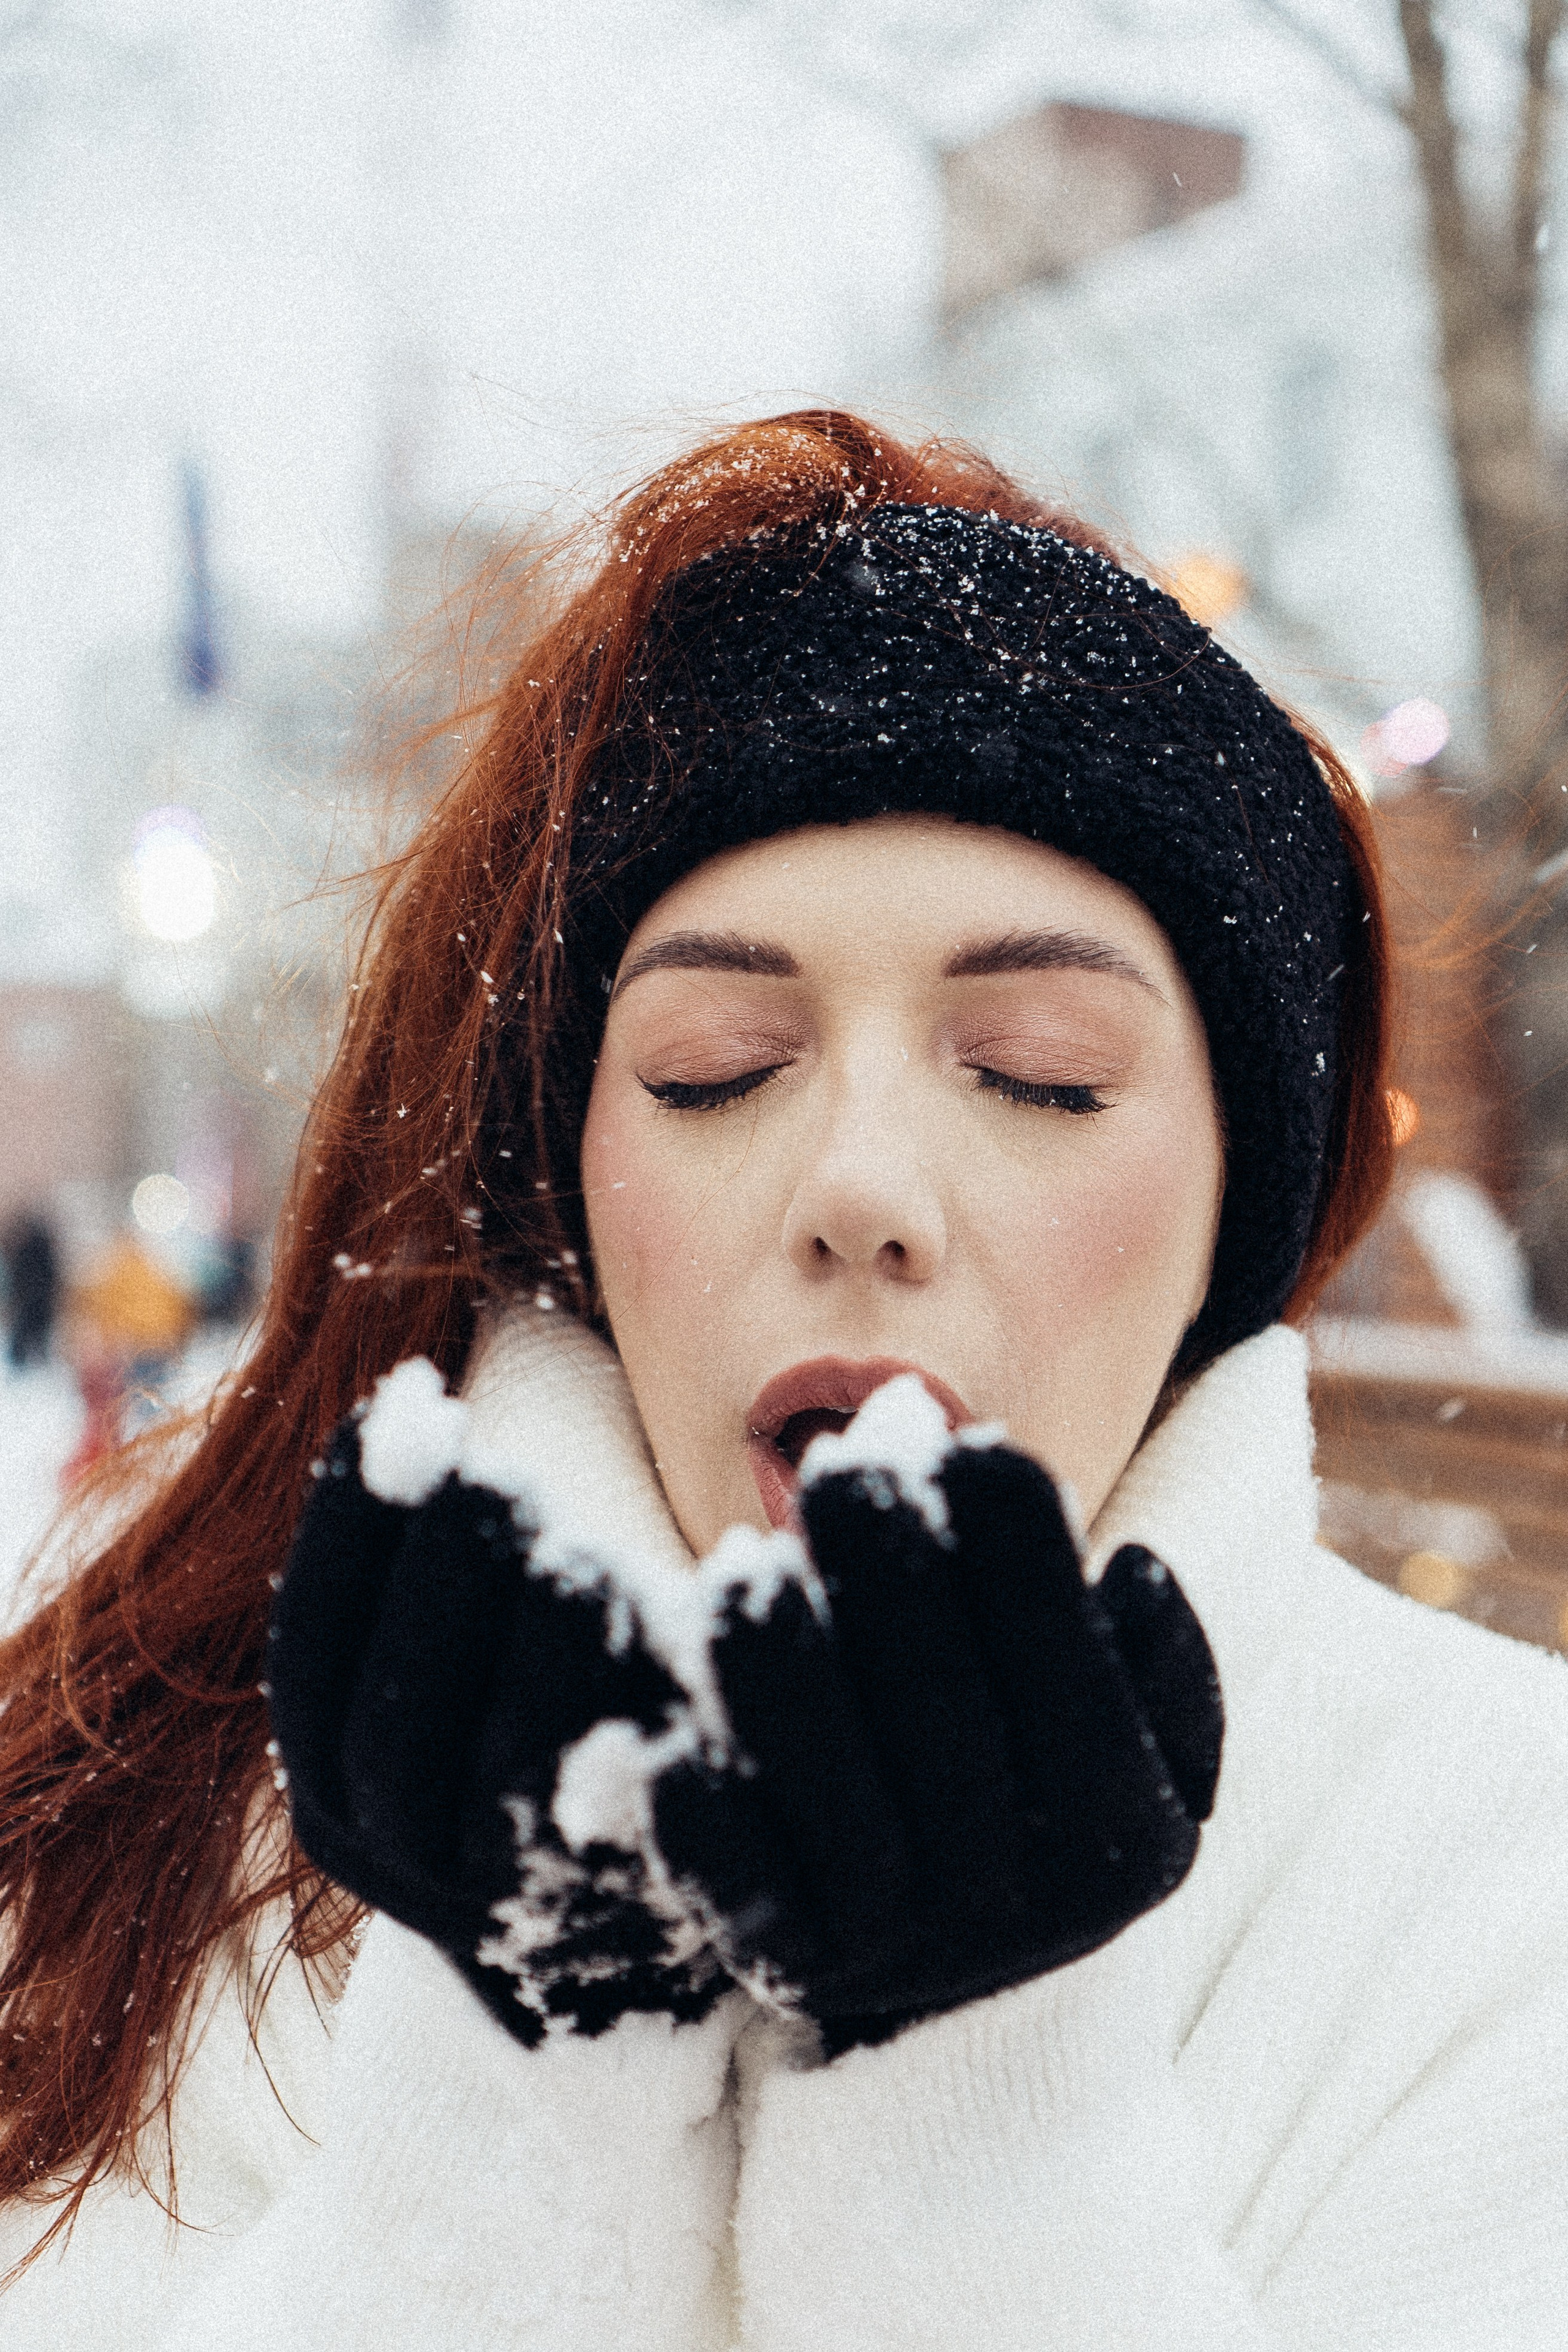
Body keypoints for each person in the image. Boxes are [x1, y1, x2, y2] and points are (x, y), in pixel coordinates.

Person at [1, 410, 1566, 2351]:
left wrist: (985, 2129)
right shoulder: (172, 1835)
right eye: (718, 1069)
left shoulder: (1508, 1878)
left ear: (1242, 1196)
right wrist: (498, 2124)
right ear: (572, 1174)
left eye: (1043, 1072)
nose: (862, 1191)